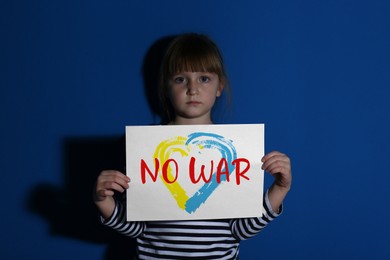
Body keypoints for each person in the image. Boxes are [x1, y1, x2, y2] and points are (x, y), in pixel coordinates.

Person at [94, 33, 292, 259]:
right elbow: (137, 229)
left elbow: (241, 230)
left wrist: (280, 189)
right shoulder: (148, 148)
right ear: (166, 87)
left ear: (220, 87)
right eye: (180, 79)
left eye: (204, 78)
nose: (192, 88)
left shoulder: (235, 151)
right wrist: (104, 201)